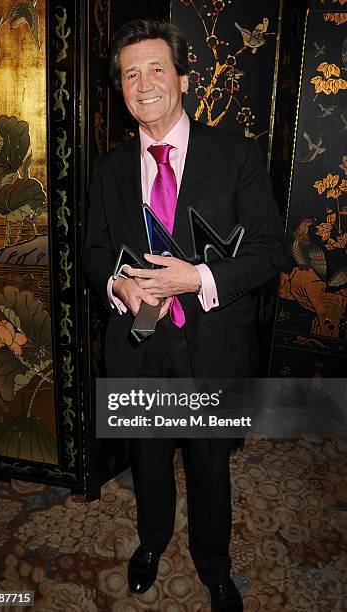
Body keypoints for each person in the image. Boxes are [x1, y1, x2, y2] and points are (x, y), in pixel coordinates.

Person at [84, 19, 287, 612]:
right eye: (129, 74)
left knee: (209, 464)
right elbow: (95, 253)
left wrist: (196, 277)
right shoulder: (108, 169)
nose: (143, 83)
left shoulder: (237, 154)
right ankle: (151, 543)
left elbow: (271, 249)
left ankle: (214, 565)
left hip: (213, 342)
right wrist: (119, 285)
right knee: (147, 456)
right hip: (140, 344)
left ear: (183, 79)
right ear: (120, 90)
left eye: (155, 69)